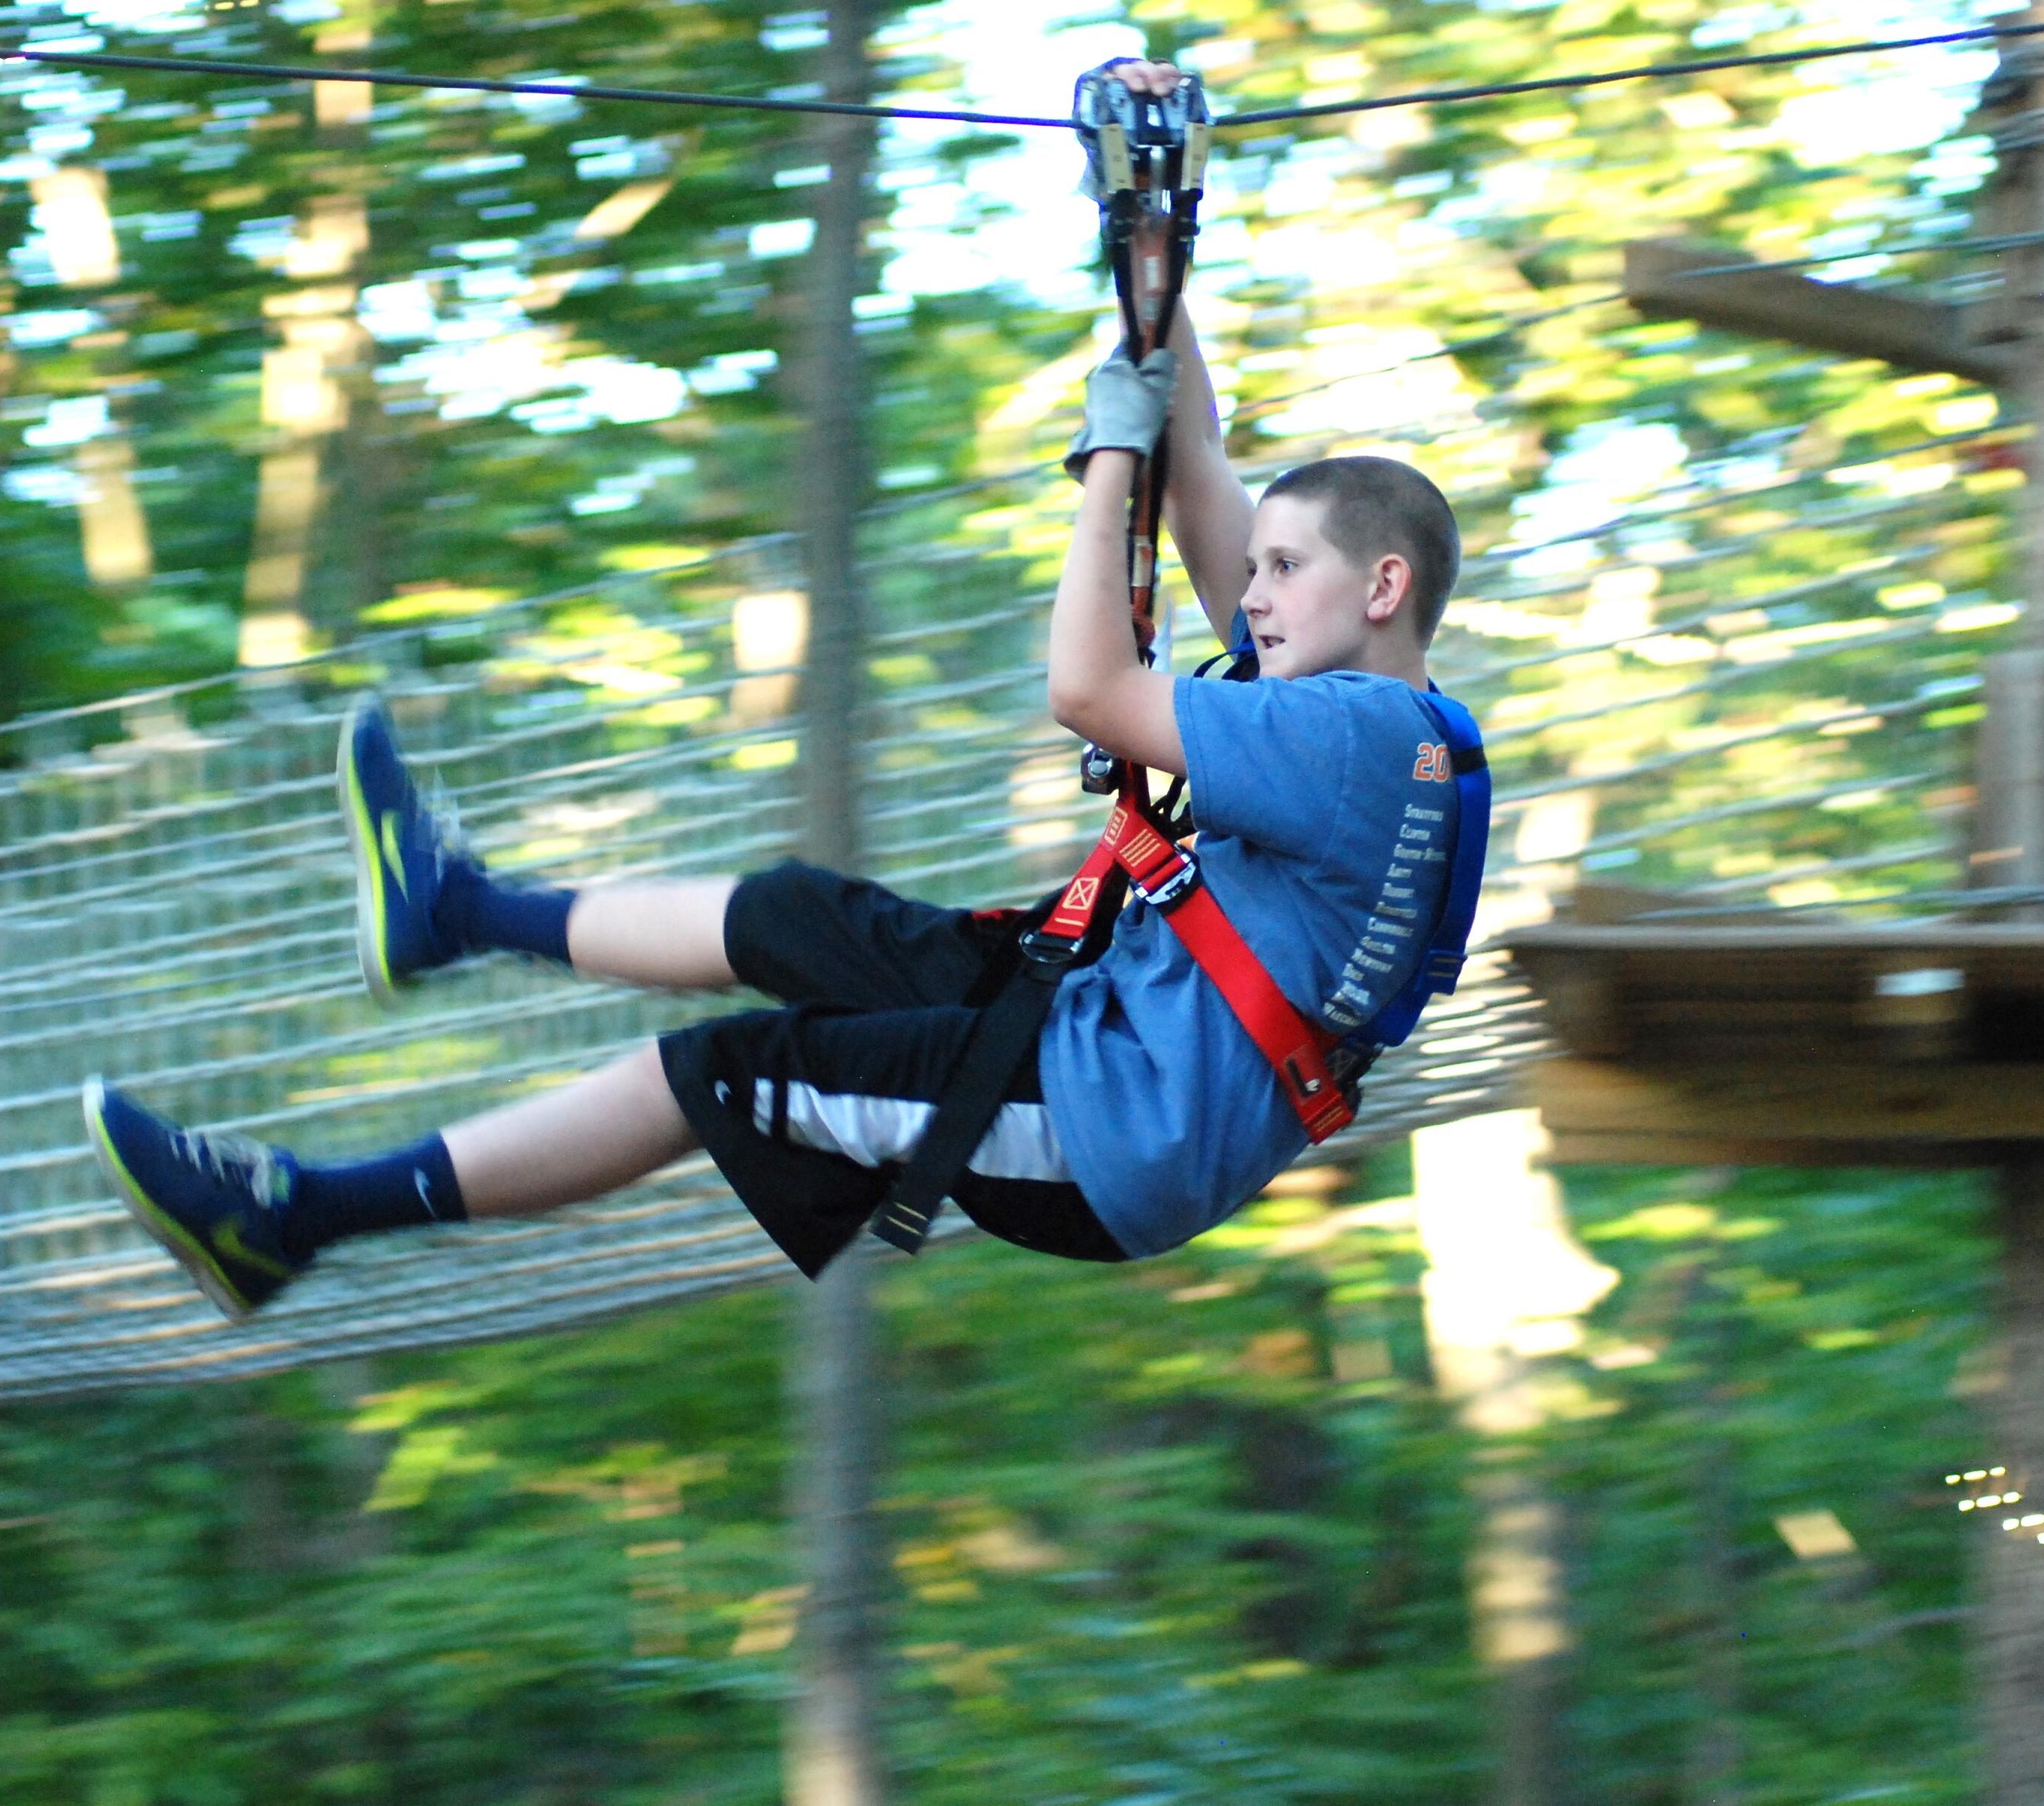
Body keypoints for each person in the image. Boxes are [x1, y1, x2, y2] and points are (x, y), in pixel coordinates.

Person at [84, 137, 1480, 1319]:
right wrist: (1152, 236)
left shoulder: (1356, 744)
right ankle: (456, 910)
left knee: (720, 1078)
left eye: (1285, 571)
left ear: (1385, 586)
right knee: (792, 916)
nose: (1253, 589)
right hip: (1109, 1016)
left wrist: (1105, 455)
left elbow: (1092, 689)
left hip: (1109, 1122)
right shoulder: (1366, 720)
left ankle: (296, 1221)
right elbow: (1210, 473)